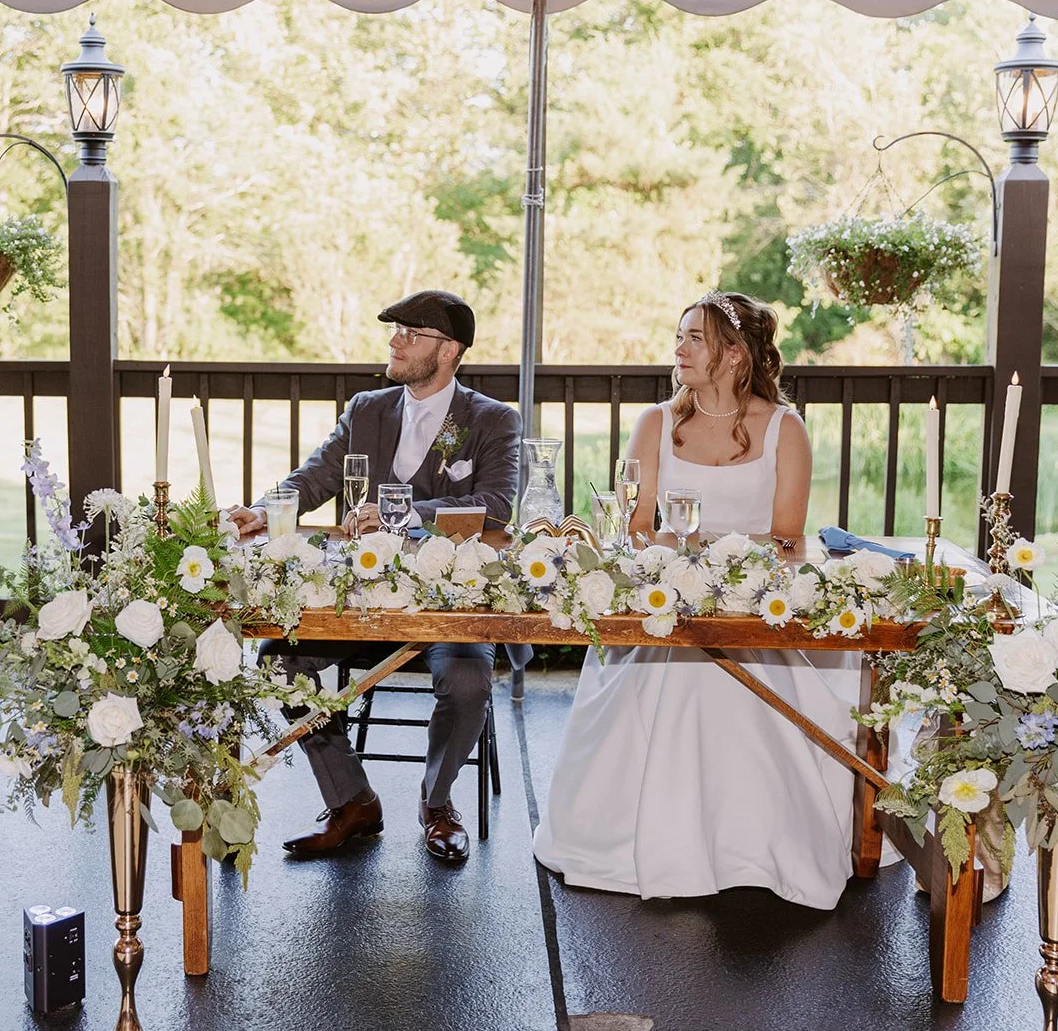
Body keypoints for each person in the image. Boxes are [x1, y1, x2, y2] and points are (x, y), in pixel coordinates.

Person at [532, 290, 862, 910]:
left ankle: (754, 846)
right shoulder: (655, 423)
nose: (678, 349)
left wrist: (711, 551)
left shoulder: (784, 428)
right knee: (681, 671)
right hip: (668, 604)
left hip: (751, 609)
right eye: (678, 336)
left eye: (694, 338)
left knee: (729, 680)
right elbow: (631, 531)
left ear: (735, 355)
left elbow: (790, 541)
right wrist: (686, 559)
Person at [225, 290, 520, 863]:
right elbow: (311, 478)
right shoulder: (367, 409)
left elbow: (499, 504)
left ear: (451, 349)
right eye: (396, 331)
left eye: (412, 334)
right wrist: (264, 510)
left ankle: (437, 802)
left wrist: (405, 511)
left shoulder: (492, 420)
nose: (395, 341)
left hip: (447, 607)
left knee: (466, 681)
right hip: (360, 602)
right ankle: (353, 800)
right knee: (279, 663)